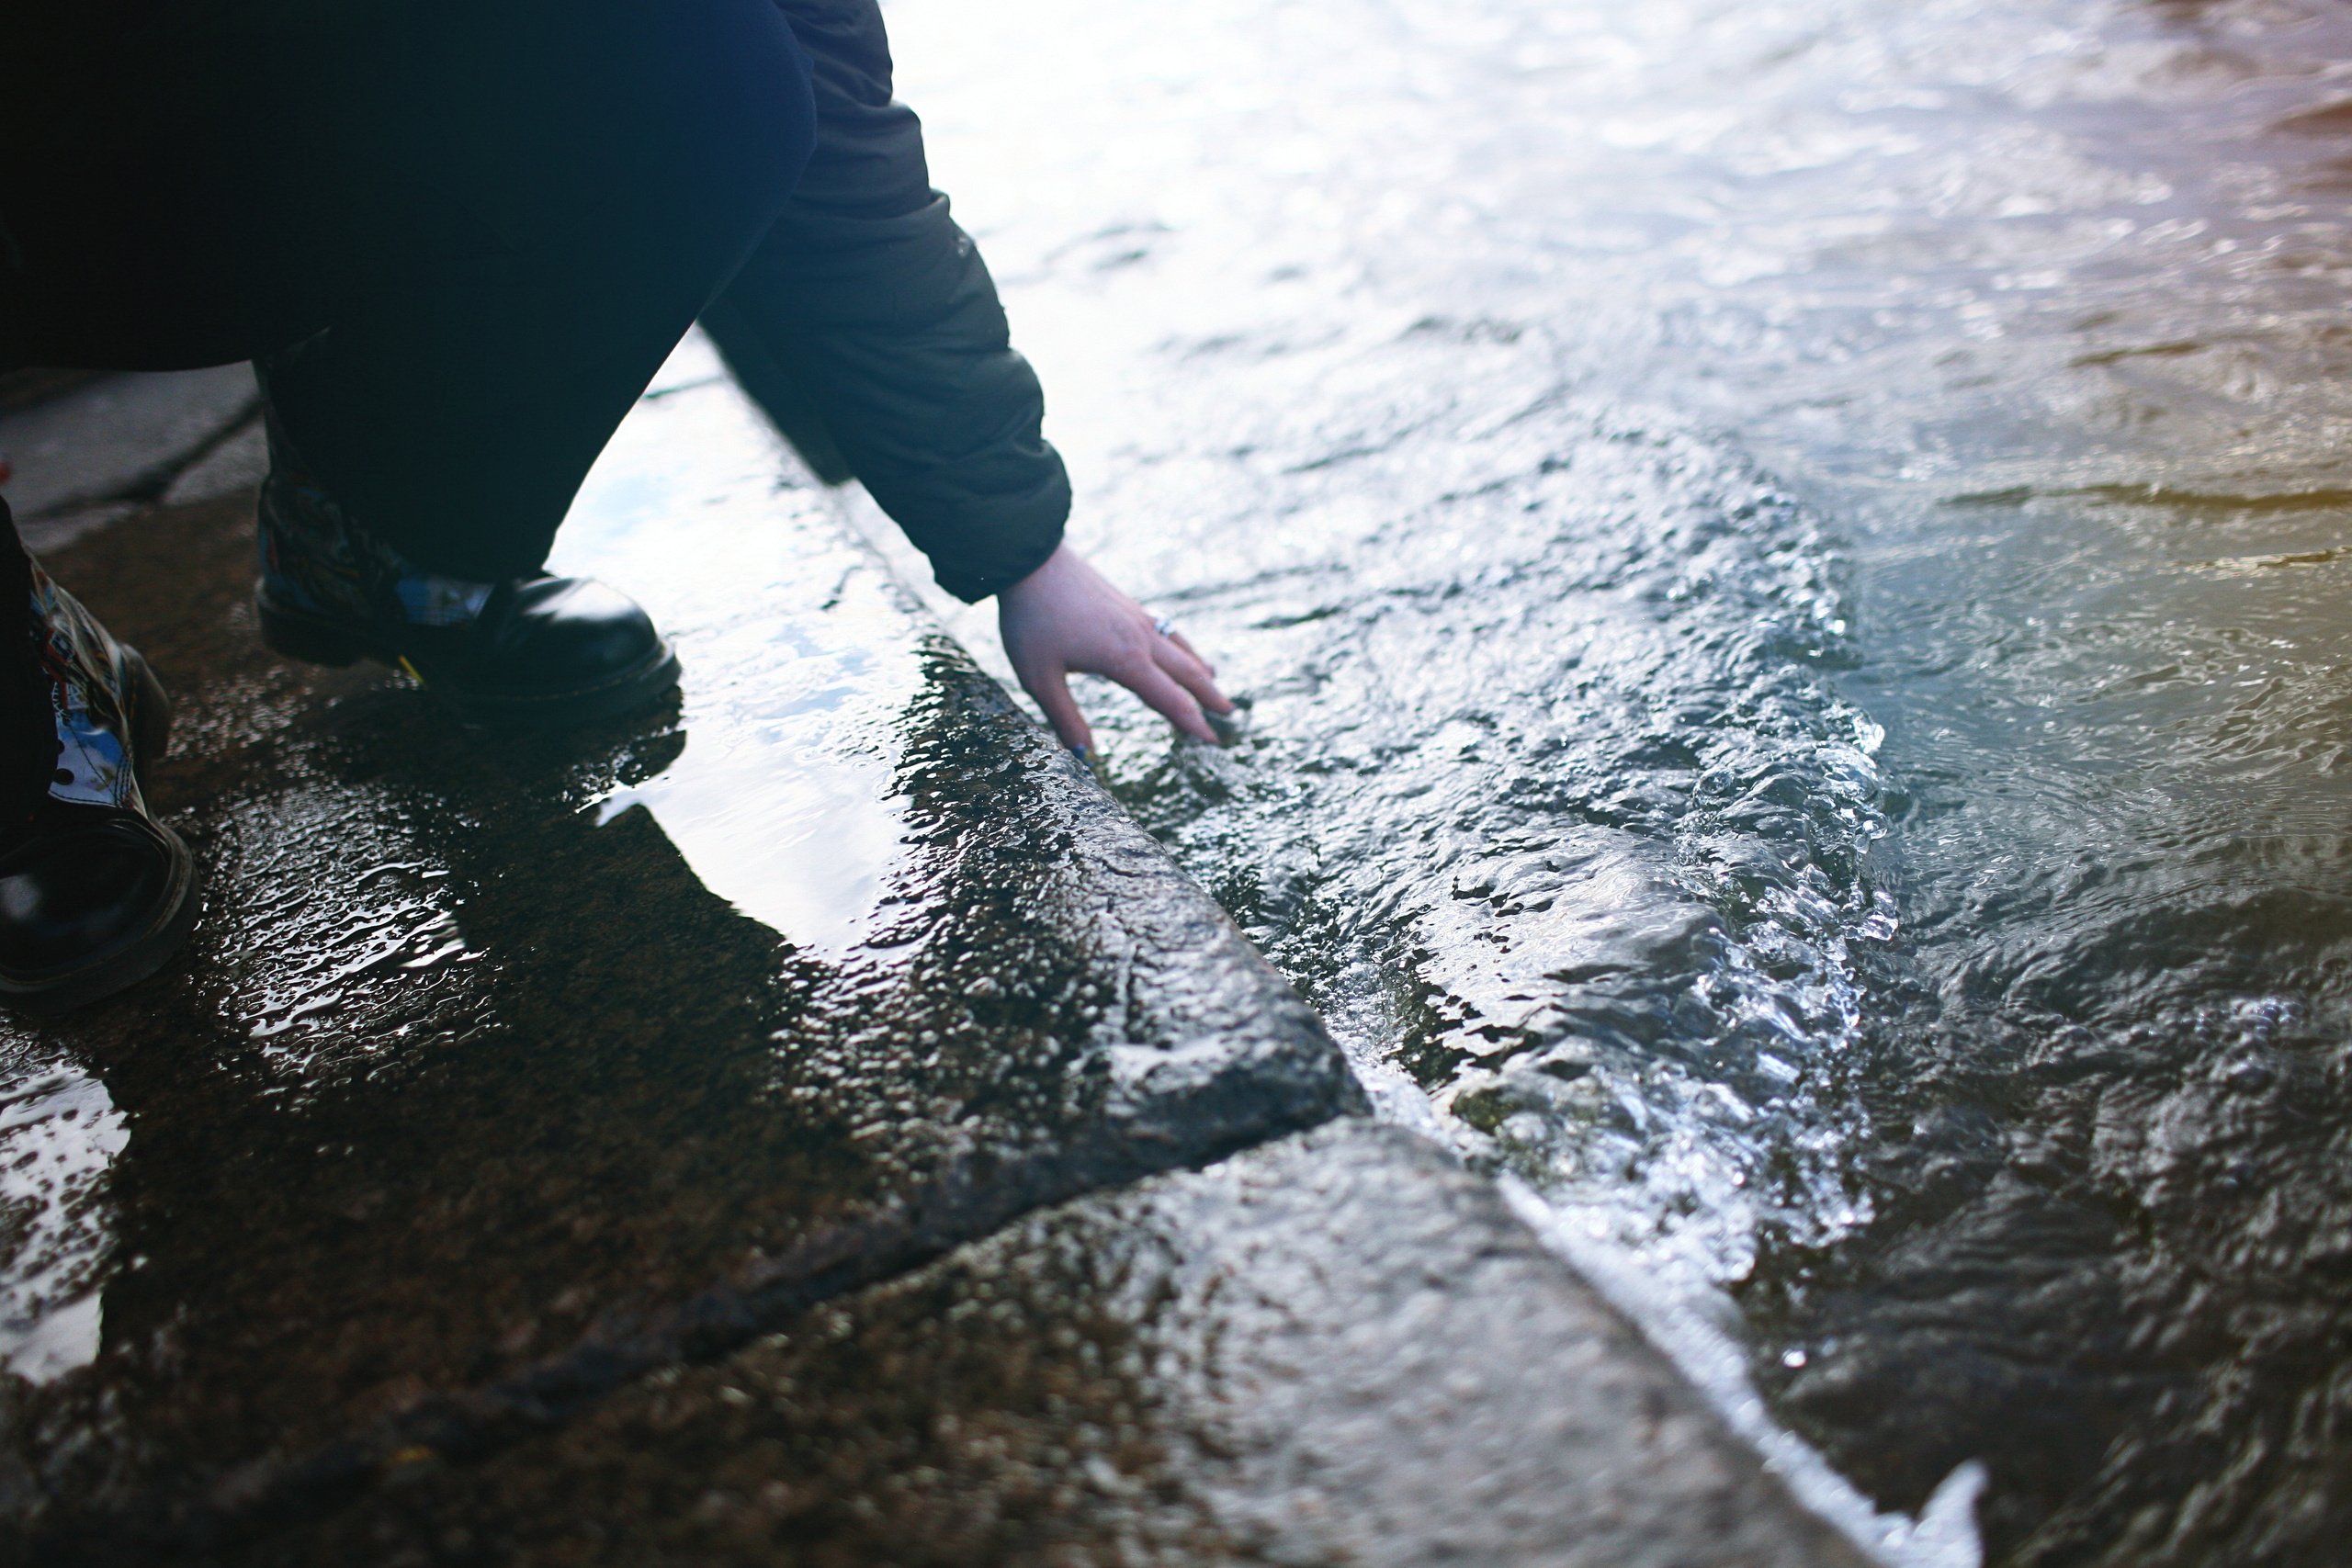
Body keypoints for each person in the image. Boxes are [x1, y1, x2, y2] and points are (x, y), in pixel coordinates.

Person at [0, 0, 1232, 1014]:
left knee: (710, 58)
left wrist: (1021, 543)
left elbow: (829, 124)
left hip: (281, 141)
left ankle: (380, 538)